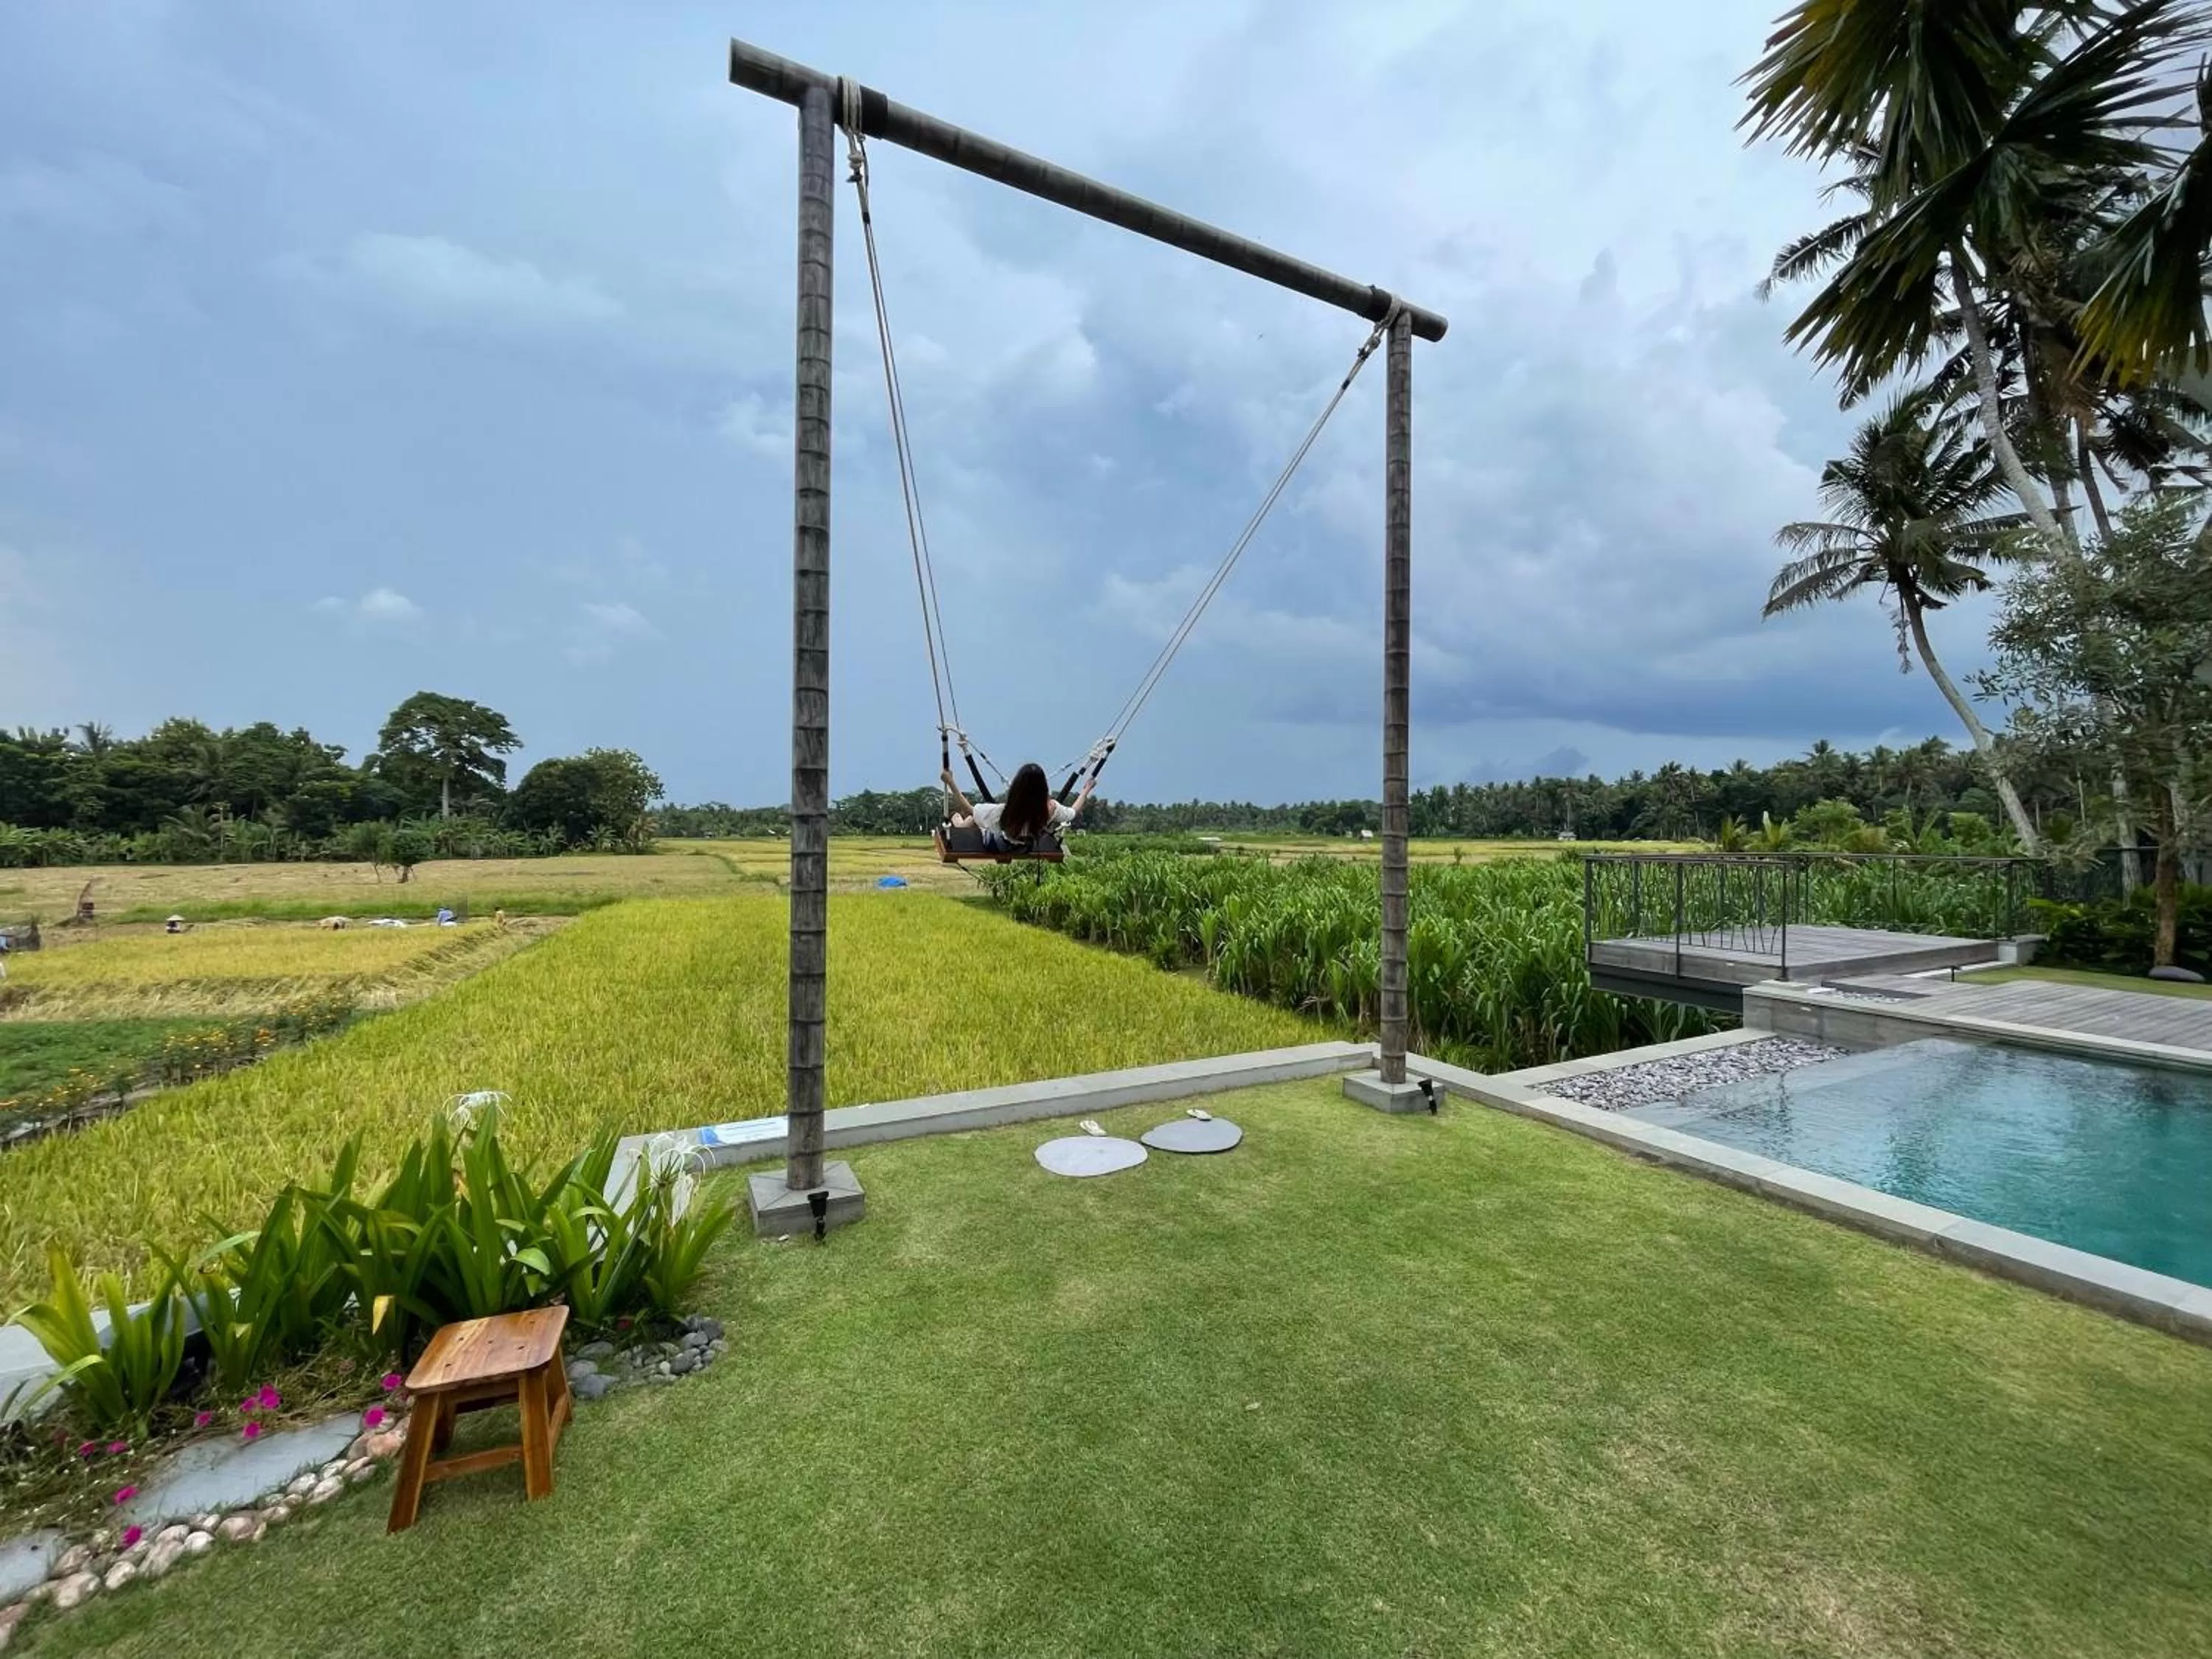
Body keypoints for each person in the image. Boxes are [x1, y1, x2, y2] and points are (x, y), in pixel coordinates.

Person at [941, 761, 1094, 853]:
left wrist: (951, 782)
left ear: (1017, 787)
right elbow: (1074, 811)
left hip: (998, 846)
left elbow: (969, 809)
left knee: (977, 819)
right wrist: (1087, 789)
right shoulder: (1051, 808)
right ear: (1044, 788)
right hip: (1026, 849)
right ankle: (962, 824)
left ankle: (960, 825)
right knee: (982, 818)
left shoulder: (1006, 812)